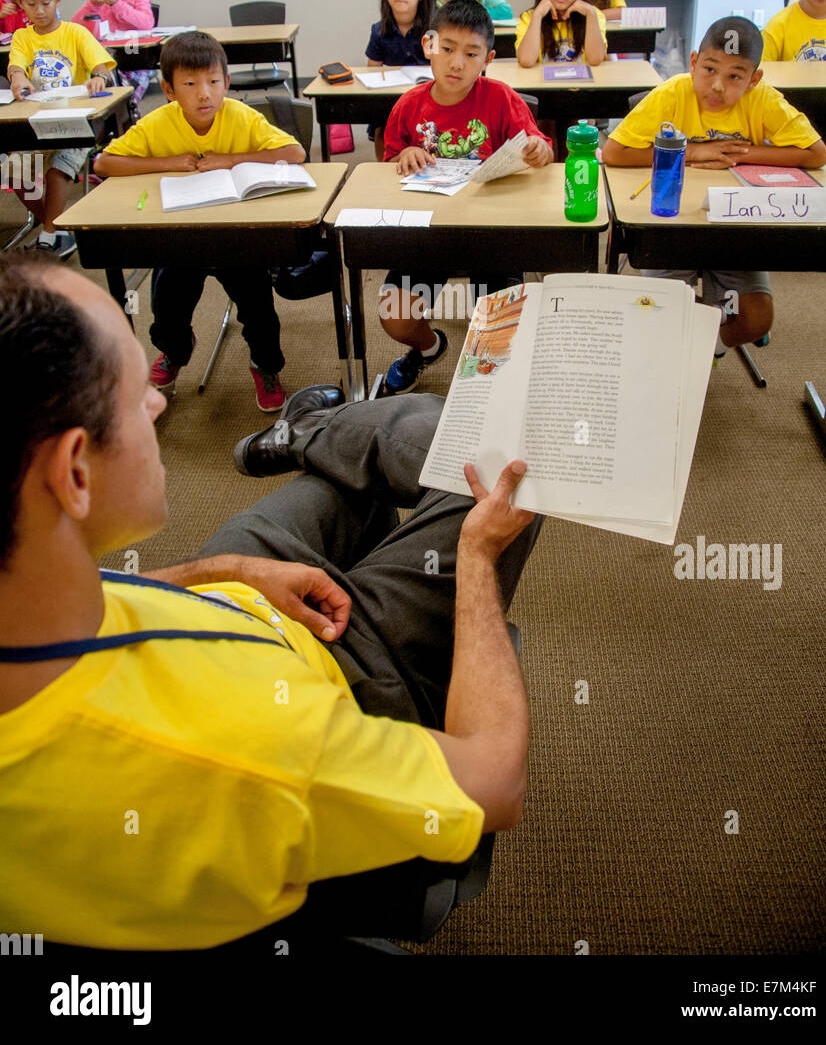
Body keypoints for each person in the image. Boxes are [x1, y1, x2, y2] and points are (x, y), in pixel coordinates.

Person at [0, 256, 540, 949]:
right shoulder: (254, 751)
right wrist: (476, 559)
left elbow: (110, 596)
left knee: (376, 460)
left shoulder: (35, 601)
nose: (160, 404)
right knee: (491, 471)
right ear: (75, 472)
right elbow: (494, 784)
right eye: (139, 397)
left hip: (232, 594)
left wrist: (227, 569)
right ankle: (319, 434)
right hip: (341, 670)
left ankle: (311, 434)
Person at [93, 30, 302, 411]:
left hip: (238, 238)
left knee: (259, 312)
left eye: (214, 81)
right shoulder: (158, 123)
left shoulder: (239, 115)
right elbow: (104, 162)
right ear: (169, 89)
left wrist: (229, 160)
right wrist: (168, 163)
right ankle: (175, 349)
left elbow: (295, 152)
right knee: (166, 307)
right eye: (190, 84)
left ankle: (265, 365)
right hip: (180, 239)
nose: (204, 93)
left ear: (226, 81)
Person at [602, 16, 826, 356]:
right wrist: (693, 150)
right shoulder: (672, 94)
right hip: (672, 224)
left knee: (756, 319)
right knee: (657, 313)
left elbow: (816, 154)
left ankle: (706, 350)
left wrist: (741, 153)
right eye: (709, 69)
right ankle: (689, 342)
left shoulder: (764, 98)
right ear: (693, 63)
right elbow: (614, 152)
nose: (718, 86)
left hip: (736, 227)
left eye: (735, 75)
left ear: (754, 79)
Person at [380, 0, 553, 393]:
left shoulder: (501, 99)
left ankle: (483, 387)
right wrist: (404, 153)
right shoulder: (409, 105)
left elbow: (539, 145)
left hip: (490, 229)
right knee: (396, 317)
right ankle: (427, 349)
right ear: (429, 45)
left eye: (471, 53)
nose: (457, 63)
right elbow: (386, 165)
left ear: (487, 58)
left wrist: (540, 151)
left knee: (496, 332)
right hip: (428, 231)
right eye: (447, 49)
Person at [7, 0, 116, 257]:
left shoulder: (75, 33)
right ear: (20, 3)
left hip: (75, 125)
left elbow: (103, 69)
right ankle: (54, 225)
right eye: (31, 3)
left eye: (46, 2)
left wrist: (98, 77)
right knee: (12, 170)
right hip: (36, 123)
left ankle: (51, 232)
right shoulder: (22, 38)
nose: (39, 10)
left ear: (58, 0)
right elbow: (16, 69)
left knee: (59, 168)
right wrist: (18, 80)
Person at [364, 0, 437, 160]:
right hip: (391, 99)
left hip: (429, 98)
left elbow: (441, 67)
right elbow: (371, 71)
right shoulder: (379, 30)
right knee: (381, 122)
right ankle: (384, 169)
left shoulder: (434, 29)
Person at [71, 0, 155, 120]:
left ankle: (127, 116)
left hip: (135, 59)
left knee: (122, 91)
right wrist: (91, 6)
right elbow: (75, 25)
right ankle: (112, 119)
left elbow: (147, 22)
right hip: (108, 60)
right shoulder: (100, 3)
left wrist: (117, 4)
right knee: (99, 82)